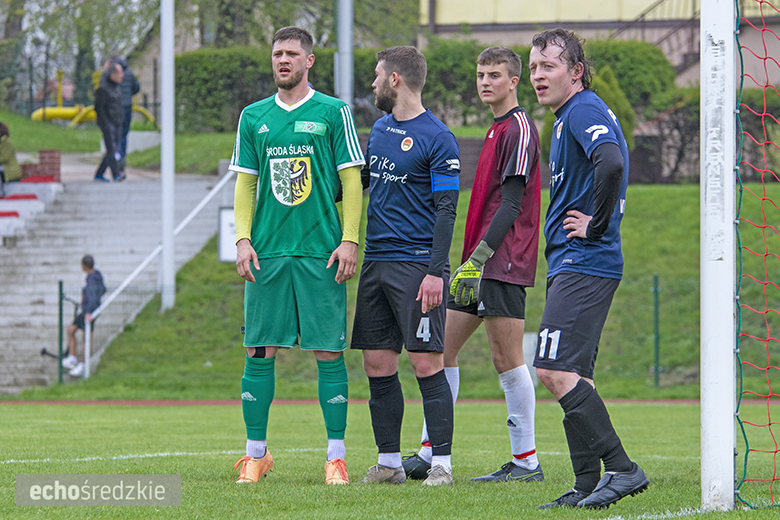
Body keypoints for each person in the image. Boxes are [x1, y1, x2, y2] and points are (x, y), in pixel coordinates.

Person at [228, 26, 364, 486]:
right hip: (266, 252)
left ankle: (335, 457)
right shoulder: (254, 116)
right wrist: (242, 239)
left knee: (328, 349)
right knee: (258, 349)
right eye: (277, 53)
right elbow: (246, 183)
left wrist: (350, 239)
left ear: (309, 61)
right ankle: (256, 455)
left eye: (291, 53)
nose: (282, 60)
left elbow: (351, 180)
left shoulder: (334, 112)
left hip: (320, 251)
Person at [403, 47, 543, 483]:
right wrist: (471, 262)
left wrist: (479, 259)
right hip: (476, 265)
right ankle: (430, 453)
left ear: (514, 81)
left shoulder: (519, 129)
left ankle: (526, 463)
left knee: (506, 358)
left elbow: (513, 204)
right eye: (481, 74)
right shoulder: (495, 128)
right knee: (441, 349)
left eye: (494, 75)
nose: (485, 82)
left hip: (502, 262)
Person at [528, 28, 648, 509]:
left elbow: (612, 162)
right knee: (575, 374)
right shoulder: (567, 117)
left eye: (549, 66)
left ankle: (623, 469)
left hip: (585, 260)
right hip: (575, 262)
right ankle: (585, 484)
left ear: (576, 72)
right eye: (534, 68)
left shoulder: (582, 109)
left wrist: (596, 225)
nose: (538, 76)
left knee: (552, 368)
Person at [352, 46, 460, 487]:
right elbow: (358, 185)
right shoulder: (378, 131)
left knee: (426, 364)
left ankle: (442, 465)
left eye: (378, 75)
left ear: (395, 79)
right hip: (375, 262)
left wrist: (436, 271)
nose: (373, 83)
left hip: (417, 266)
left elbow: (447, 210)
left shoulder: (438, 137)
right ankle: (390, 463)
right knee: (377, 363)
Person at [62, 255, 106, 378]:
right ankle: (73, 358)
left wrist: (89, 311)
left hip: (89, 311)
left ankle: (82, 364)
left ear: (83, 266)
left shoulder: (92, 278)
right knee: (72, 330)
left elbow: (92, 295)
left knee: (84, 335)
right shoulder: (97, 276)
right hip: (89, 310)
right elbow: (103, 290)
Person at [94, 62, 126, 182]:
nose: (122, 75)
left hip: (117, 123)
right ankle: (116, 173)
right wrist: (105, 123)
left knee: (112, 149)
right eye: (120, 73)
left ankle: (99, 173)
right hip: (107, 123)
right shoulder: (103, 89)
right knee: (112, 148)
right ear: (113, 74)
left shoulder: (117, 88)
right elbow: (99, 109)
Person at [113, 57, 140, 173]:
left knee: (115, 134)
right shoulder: (130, 73)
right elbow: (136, 88)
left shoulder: (113, 73)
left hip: (115, 106)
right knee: (124, 134)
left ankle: (116, 158)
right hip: (127, 106)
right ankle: (122, 158)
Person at [0, 122, 21, 198]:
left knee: (11, 196)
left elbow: (5, 157)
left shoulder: (6, 142)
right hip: (5, 173)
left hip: (10, 174)